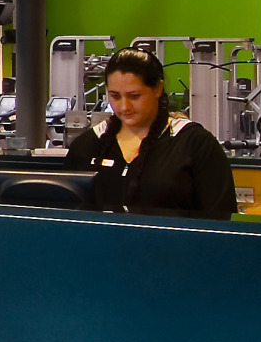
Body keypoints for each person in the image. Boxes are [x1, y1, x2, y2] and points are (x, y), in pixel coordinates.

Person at [66, 49, 237, 219]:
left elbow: (222, 223)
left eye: (134, 96)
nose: (124, 106)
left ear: (158, 88)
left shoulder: (195, 144)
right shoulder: (87, 146)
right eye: (115, 96)